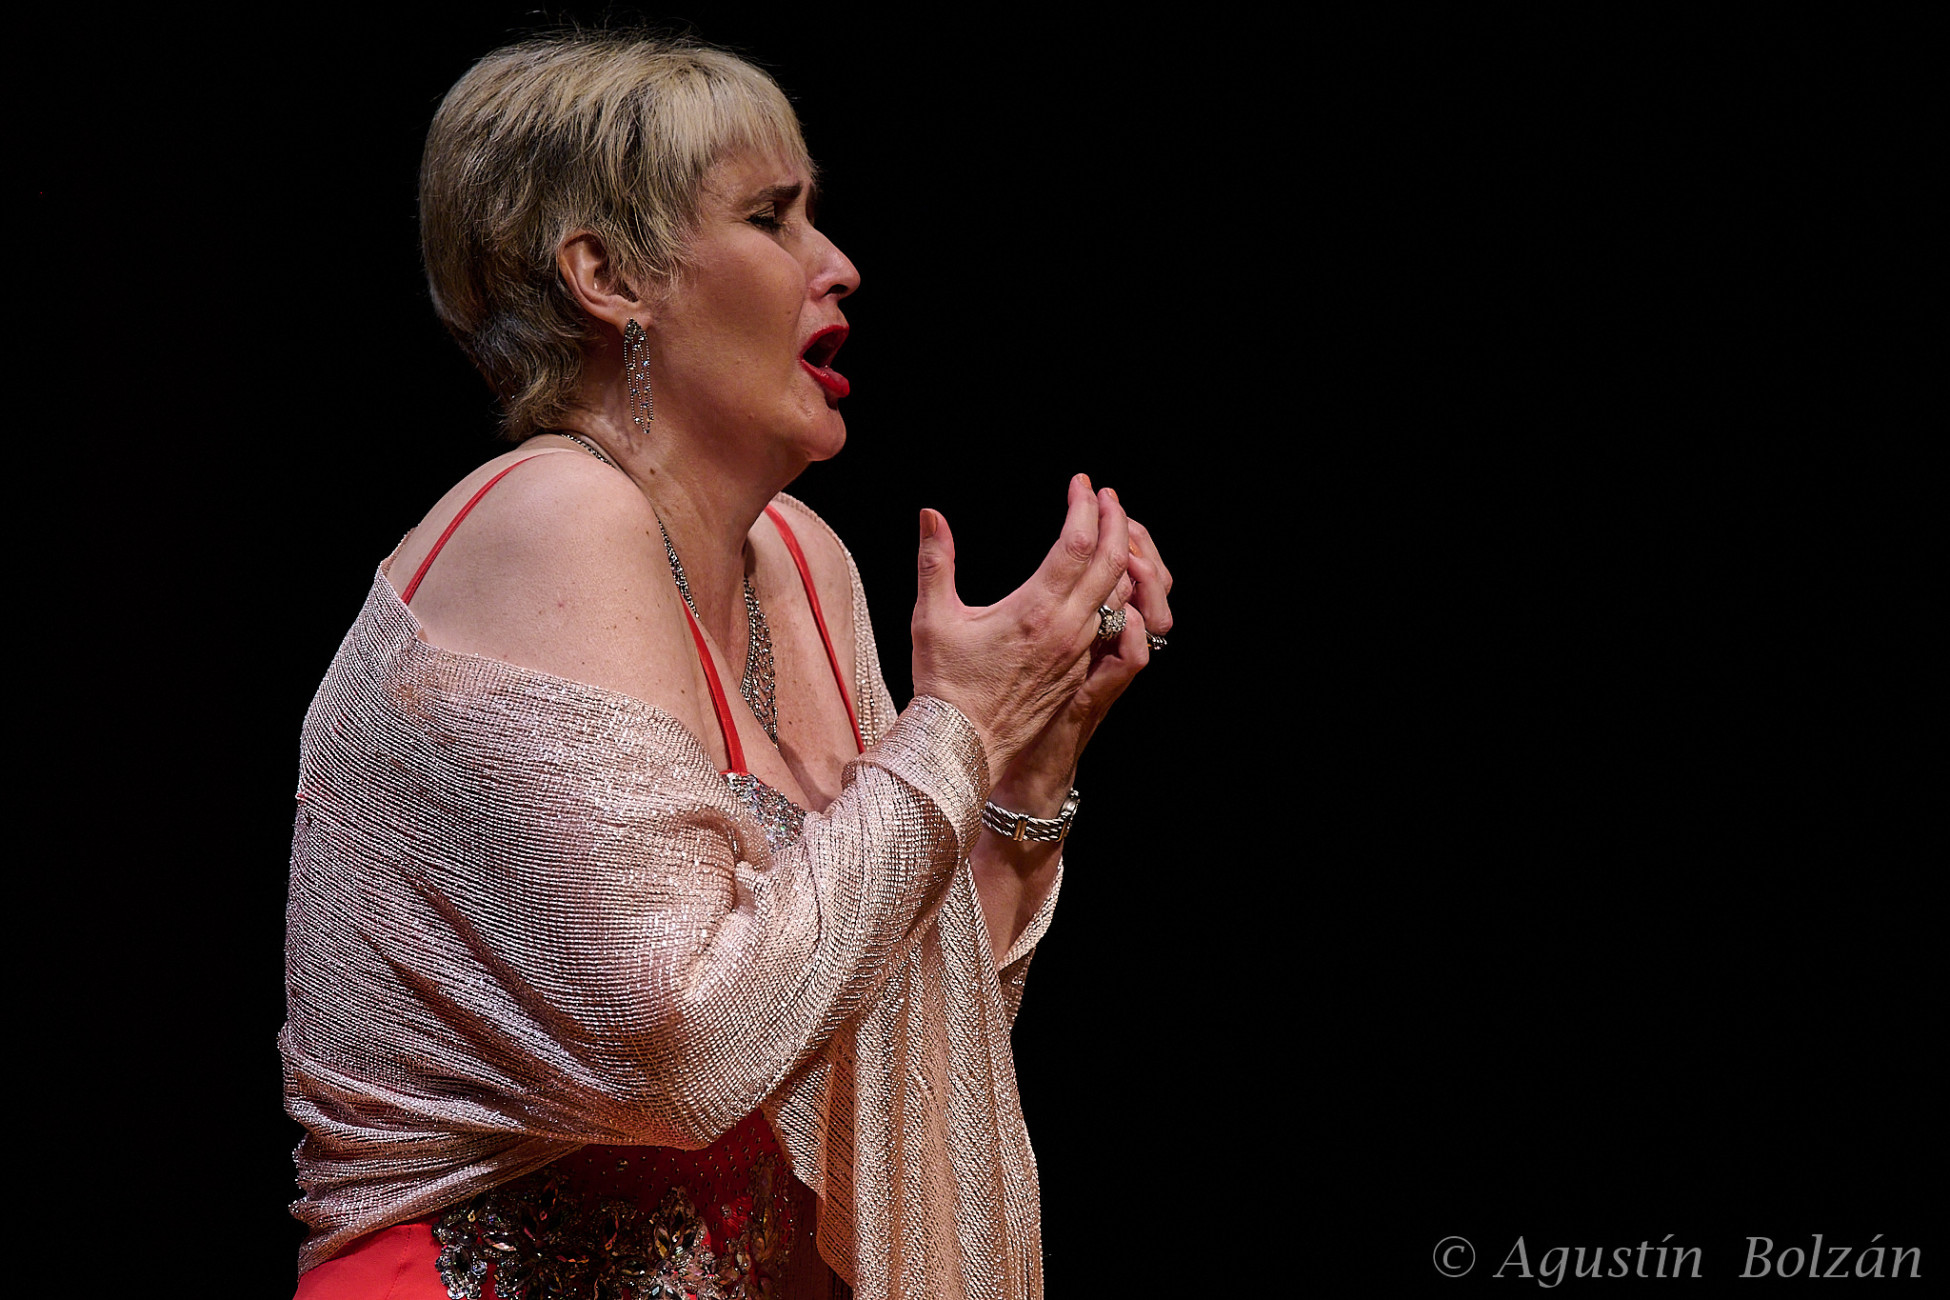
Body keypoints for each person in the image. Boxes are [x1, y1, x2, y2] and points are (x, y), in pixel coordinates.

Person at [282, 31, 1171, 1300]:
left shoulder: (802, 561)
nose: (836, 263)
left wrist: (1022, 770)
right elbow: (686, 1054)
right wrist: (958, 726)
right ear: (606, 277)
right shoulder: (553, 516)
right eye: (771, 217)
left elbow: (871, 1038)